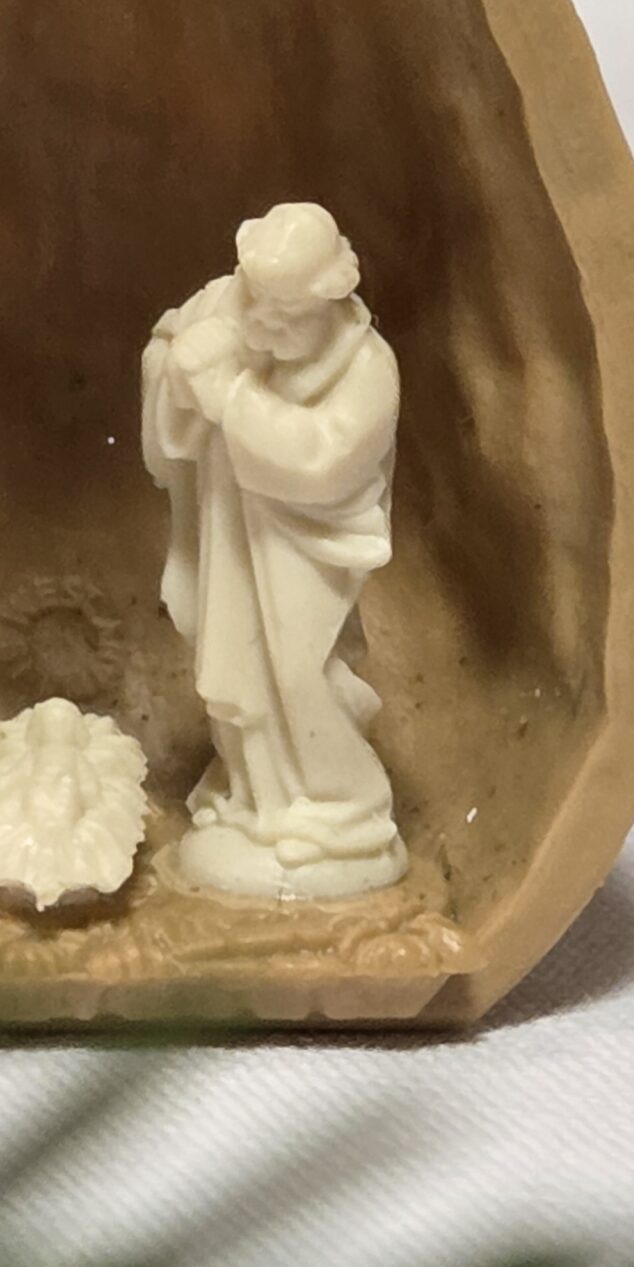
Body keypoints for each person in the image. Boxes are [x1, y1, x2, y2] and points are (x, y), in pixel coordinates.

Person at [142, 202, 408, 900]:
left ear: (328, 298)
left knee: (298, 671)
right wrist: (174, 370)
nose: (257, 319)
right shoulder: (230, 305)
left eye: (281, 311)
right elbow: (171, 357)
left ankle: (344, 809)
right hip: (228, 526)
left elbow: (323, 462)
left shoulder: (366, 367)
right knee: (229, 667)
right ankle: (254, 796)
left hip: (303, 542)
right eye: (252, 296)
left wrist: (229, 396)